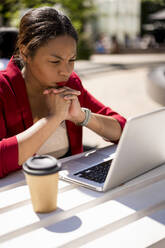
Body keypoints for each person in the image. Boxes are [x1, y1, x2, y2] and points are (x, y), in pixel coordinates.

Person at [0, 7, 126, 178]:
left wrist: (82, 117)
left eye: (71, 60)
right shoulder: (3, 89)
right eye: (55, 61)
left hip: (74, 193)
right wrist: (52, 119)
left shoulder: (71, 83)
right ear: (25, 53)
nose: (66, 71)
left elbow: (123, 129)